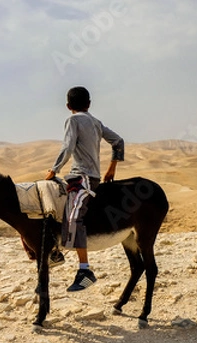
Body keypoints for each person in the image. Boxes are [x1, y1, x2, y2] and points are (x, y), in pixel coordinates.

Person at [45, 86, 124, 292]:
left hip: (83, 178)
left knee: (73, 218)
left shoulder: (73, 120)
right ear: (89, 104)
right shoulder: (96, 122)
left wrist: (54, 170)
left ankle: (84, 271)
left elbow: (68, 147)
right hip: (85, 176)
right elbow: (118, 141)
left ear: (68, 106)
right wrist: (112, 167)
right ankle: (54, 253)